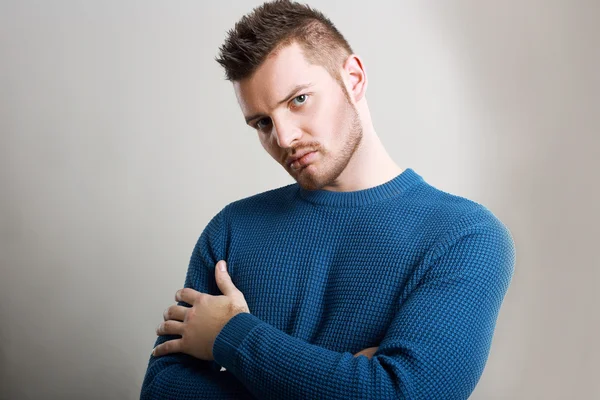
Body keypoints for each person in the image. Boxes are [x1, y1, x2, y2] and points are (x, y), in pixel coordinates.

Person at [140, 0, 516, 399]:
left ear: (352, 78)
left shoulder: (464, 237)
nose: (284, 138)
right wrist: (347, 381)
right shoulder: (232, 229)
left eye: (298, 99)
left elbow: (404, 394)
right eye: (262, 122)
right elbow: (163, 391)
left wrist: (230, 335)